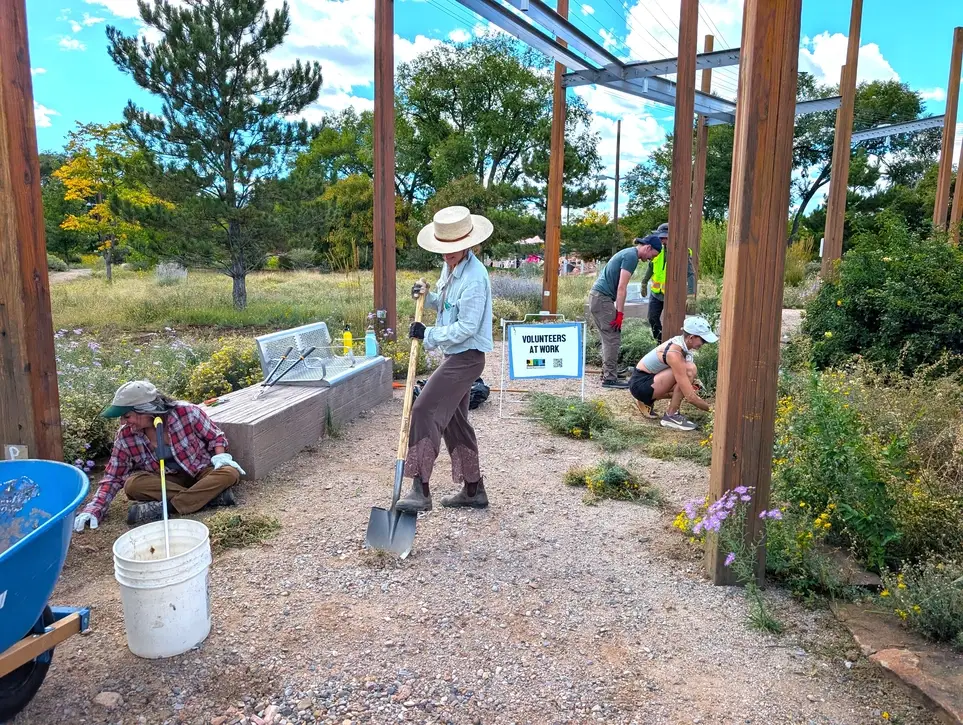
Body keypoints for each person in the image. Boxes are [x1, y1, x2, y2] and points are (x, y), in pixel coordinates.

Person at [395, 206, 494, 513]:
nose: (447, 256)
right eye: (444, 251)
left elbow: (467, 328)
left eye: (453, 251)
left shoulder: (476, 278)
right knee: (455, 422)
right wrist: (428, 297)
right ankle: (474, 491)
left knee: (423, 408)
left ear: (468, 244)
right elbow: (449, 305)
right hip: (457, 356)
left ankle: (420, 489)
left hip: (467, 357)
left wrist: (429, 334)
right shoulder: (451, 269)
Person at [73, 380, 245, 531]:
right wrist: (94, 508)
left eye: (127, 416)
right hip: (166, 481)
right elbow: (113, 477)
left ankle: (167, 508)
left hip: (201, 473)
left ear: (146, 410)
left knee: (229, 472)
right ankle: (210, 498)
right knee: (132, 485)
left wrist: (221, 458)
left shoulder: (187, 412)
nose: (123, 422)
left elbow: (215, 437)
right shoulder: (125, 436)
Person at [588, 235, 663, 389]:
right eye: (653, 255)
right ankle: (609, 379)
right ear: (648, 248)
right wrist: (619, 314)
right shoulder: (631, 257)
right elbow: (622, 287)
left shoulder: (628, 253)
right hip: (602, 298)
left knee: (607, 337)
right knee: (612, 337)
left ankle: (609, 371)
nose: (650, 259)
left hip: (597, 297)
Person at [628, 316, 717, 431]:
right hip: (640, 385)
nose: (704, 343)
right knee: (689, 370)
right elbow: (690, 398)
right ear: (691, 337)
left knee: (687, 383)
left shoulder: (681, 344)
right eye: (703, 340)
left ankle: (647, 401)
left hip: (646, 380)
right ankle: (671, 415)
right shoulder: (674, 353)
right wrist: (714, 411)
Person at [640, 223, 696, 343]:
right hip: (656, 293)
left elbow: (691, 274)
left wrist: (691, 295)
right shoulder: (658, 250)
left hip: (673, 295)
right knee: (652, 318)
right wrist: (644, 282)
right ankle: (661, 343)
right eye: (660, 238)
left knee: (673, 322)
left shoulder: (682, 252)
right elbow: (651, 266)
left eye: (663, 238)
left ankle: (675, 346)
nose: (661, 240)